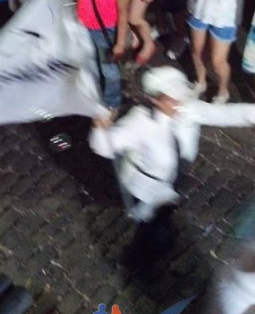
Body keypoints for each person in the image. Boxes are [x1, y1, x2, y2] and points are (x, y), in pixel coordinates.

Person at [90, 66, 255, 266]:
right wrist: (99, 127)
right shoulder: (139, 122)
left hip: (174, 179)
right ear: (154, 99)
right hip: (147, 187)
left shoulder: (188, 108)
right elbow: (104, 147)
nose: (178, 102)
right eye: (171, 98)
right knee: (151, 226)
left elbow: (227, 114)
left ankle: (155, 238)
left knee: (162, 219)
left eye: (181, 95)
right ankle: (137, 259)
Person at [77, 0, 129, 113]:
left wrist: (120, 43)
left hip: (104, 31)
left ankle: (112, 104)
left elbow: (123, 14)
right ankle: (96, 95)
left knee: (109, 71)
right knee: (91, 64)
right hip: (84, 26)